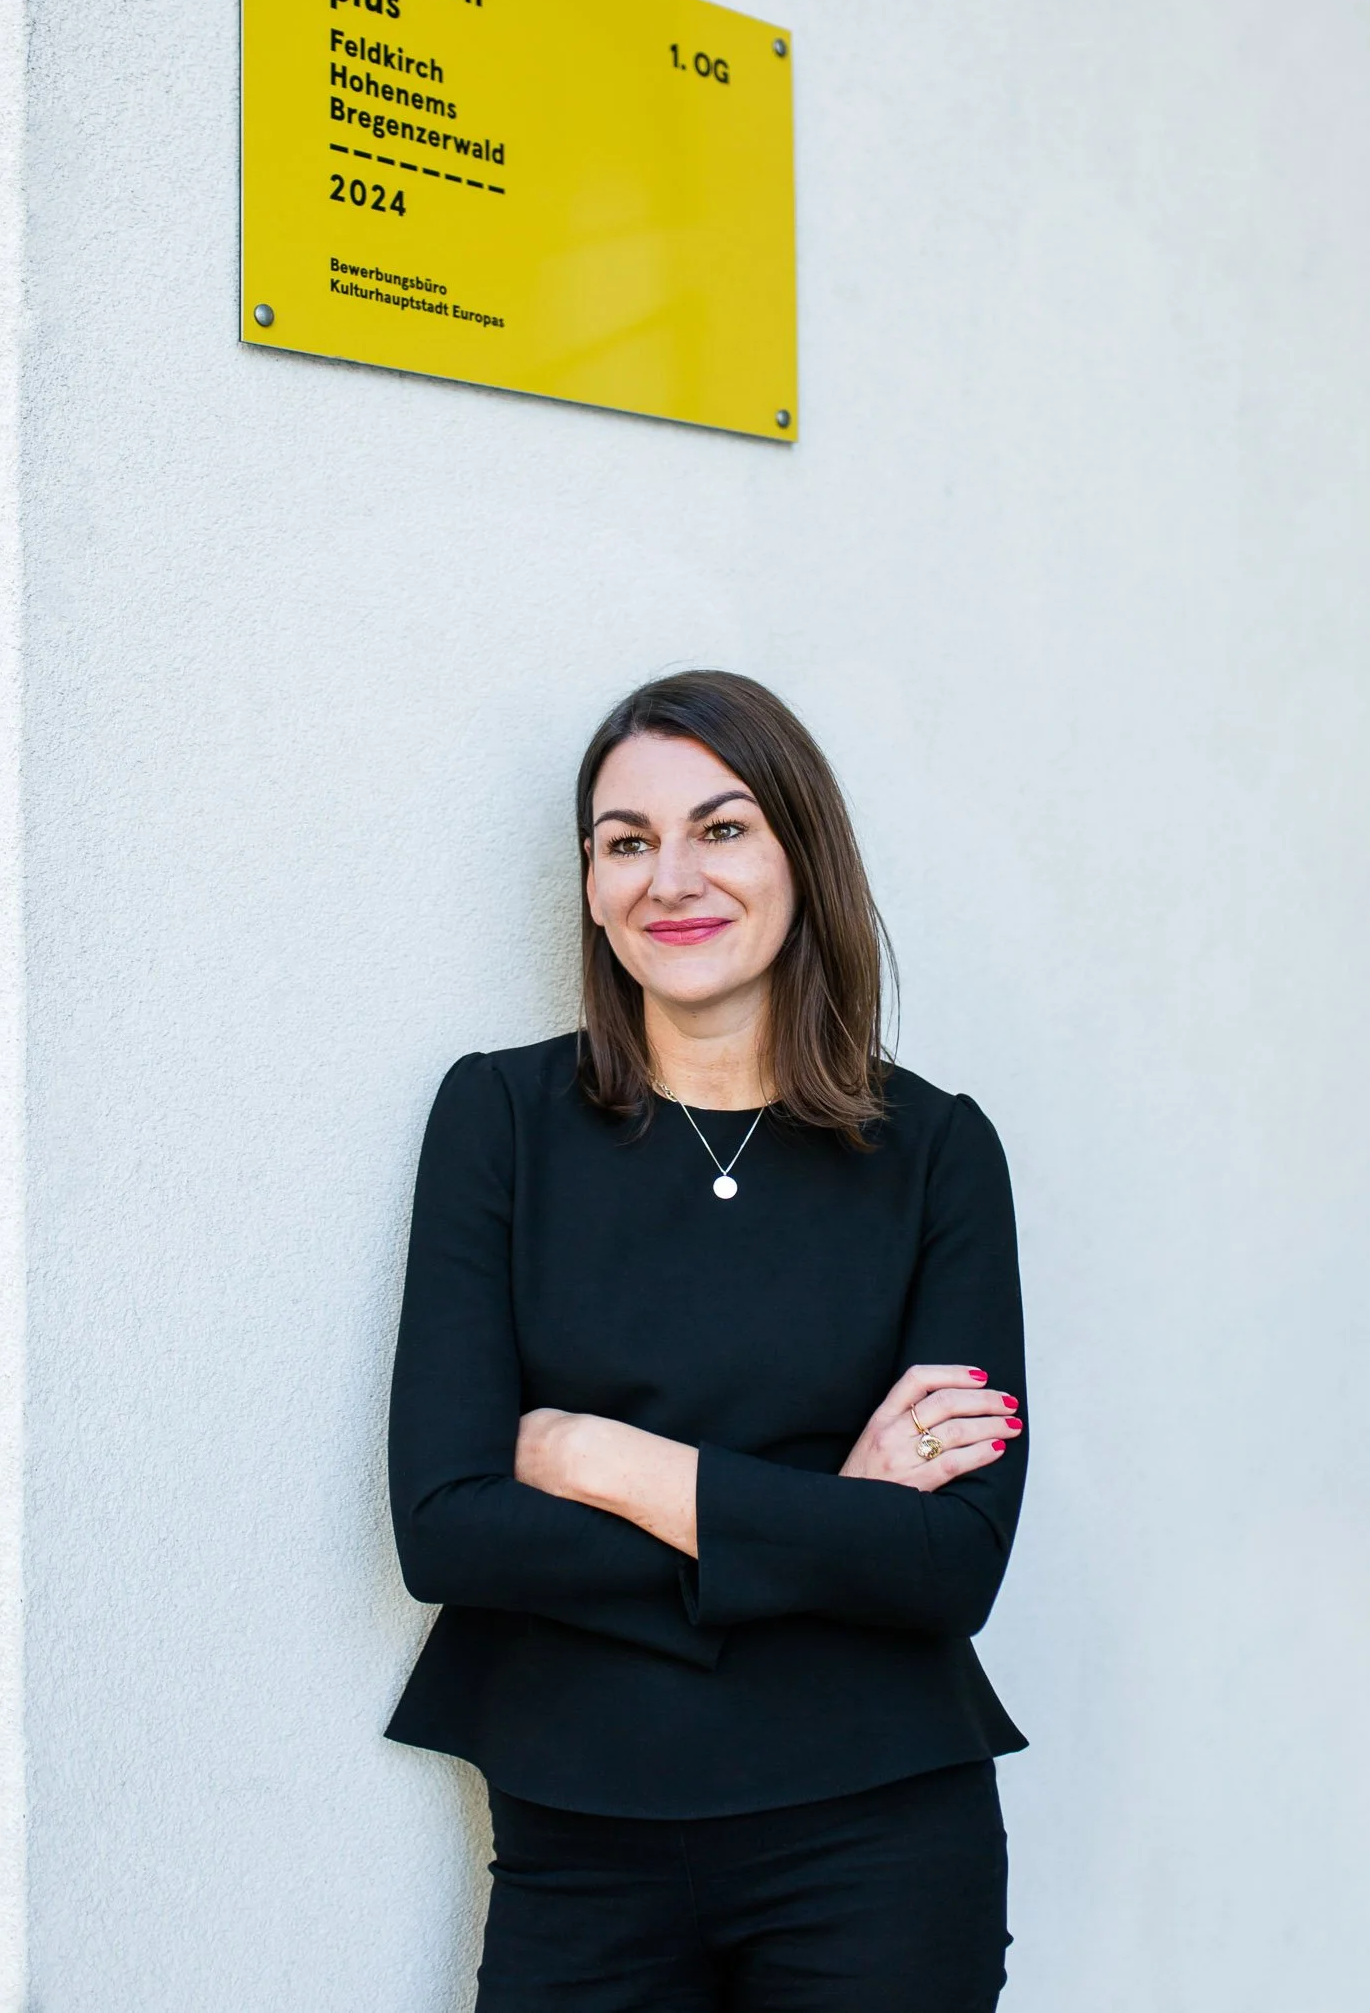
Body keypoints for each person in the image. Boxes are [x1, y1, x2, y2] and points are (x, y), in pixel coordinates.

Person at [386, 669, 1028, 2012]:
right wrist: (829, 1514)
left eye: (721, 828)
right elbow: (449, 1527)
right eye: (627, 840)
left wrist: (596, 1456)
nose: (668, 874)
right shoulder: (498, 1120)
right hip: (582, 1826)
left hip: (881, 1833)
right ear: (592, 878)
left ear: (801, 853)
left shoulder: (939, 1153)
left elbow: (953, 1559)